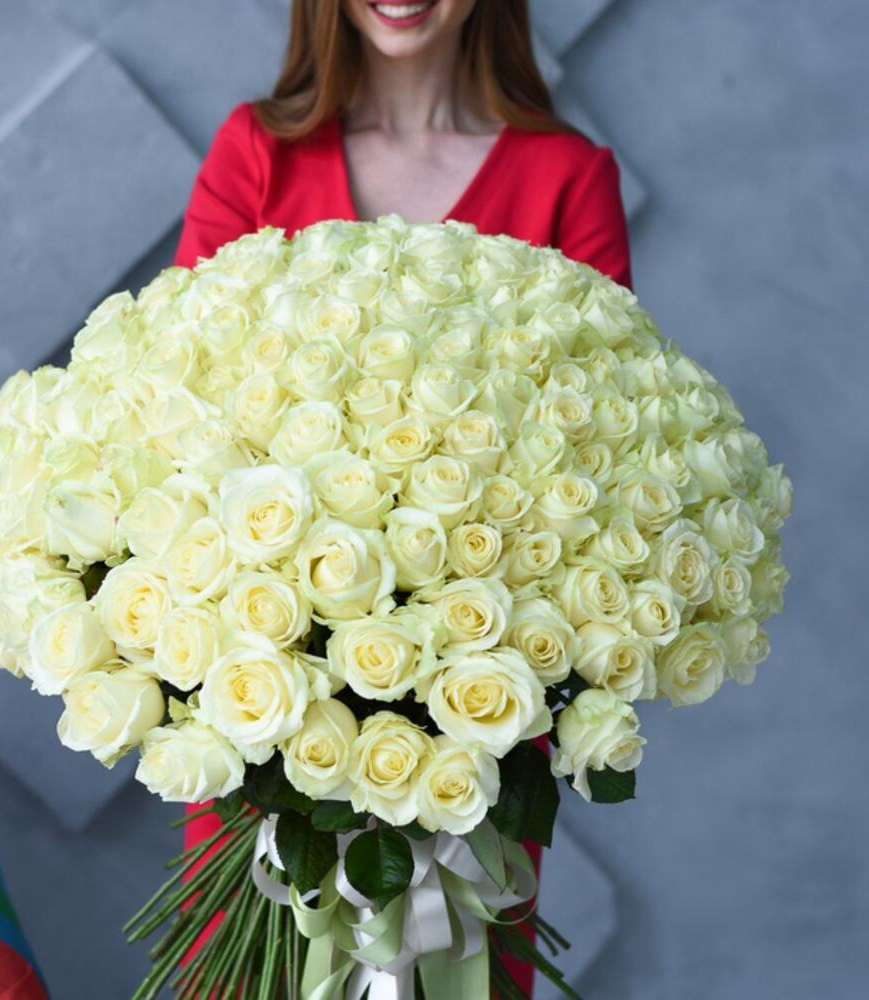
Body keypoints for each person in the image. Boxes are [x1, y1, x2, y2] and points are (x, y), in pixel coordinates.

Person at [174, 1, 632, 993]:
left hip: (476, 735)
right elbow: (177, 422)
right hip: (266, 711)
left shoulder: (566, 176)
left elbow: (603, 468)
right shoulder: (257, 153)